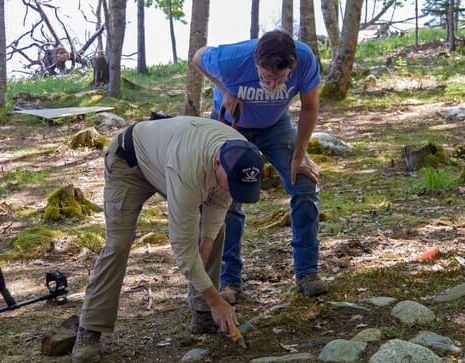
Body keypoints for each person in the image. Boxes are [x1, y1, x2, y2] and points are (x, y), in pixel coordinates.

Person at [72, 116, 264, 362]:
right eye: (233, 185)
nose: (233, 191)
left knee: (215, 234)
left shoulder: (240, 157)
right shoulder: (189, 168)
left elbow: (216, 211)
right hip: (128, 162)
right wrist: (218, 300)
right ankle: (90, 327)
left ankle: (205, 313)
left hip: (166, 159)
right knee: (118, 244)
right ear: (217, 163)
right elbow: (183, 249)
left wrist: (204, 253)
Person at [192, 30, 328, 303]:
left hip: (275, 126)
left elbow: (310, 107)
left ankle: (307, 272)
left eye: (280, 78)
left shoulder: (305, 58)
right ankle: (229, 279)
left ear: (292, 67)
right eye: (266, 77)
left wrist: (299, 154)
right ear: (256, 63)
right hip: (231, 124)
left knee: (304, 184)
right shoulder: (231, 59)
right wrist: (225, 89)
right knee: (226, 199)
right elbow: (197, 58)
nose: (273, 83)